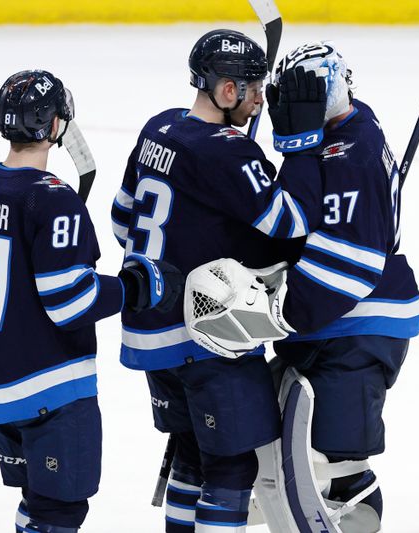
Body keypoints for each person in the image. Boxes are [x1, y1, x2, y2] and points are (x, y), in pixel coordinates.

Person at [187, 42, 419, 531]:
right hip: (335, 327)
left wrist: (282, 310)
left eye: (300, 95)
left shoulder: (352, 152)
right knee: (286, 447)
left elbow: (350, 263)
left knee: (342, 470)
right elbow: (305, 221)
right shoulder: (343, 131)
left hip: (358, 327)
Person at [0, 69, 182, 532]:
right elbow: (71, 302)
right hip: (48, 387)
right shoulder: (52, 200)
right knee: (59, 510)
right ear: (54, 127)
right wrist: (136, 286)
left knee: (39, 502)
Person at [109, 29, 322, 532]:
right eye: (253, 89)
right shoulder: (229, 153)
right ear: (227, 91)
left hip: (149, 330)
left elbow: (123, 223)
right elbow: (289, 223)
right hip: (206, 335)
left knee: (191, 455)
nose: (259, 101)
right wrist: (304, 148)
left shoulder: (158, 128)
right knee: (230, 467)